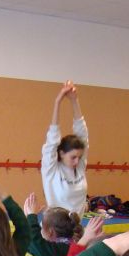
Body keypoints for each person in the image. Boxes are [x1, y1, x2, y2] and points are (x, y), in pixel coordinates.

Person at [41, 81, 89, 214]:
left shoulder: (79, 167)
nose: (77, 161)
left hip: (77, 226)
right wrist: (58, 102)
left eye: (79, 157)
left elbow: (82, 133)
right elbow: (52, 138)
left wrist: (74, 100)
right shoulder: (51, 170)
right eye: (73, 157)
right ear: (61, 153)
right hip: (55, 226)